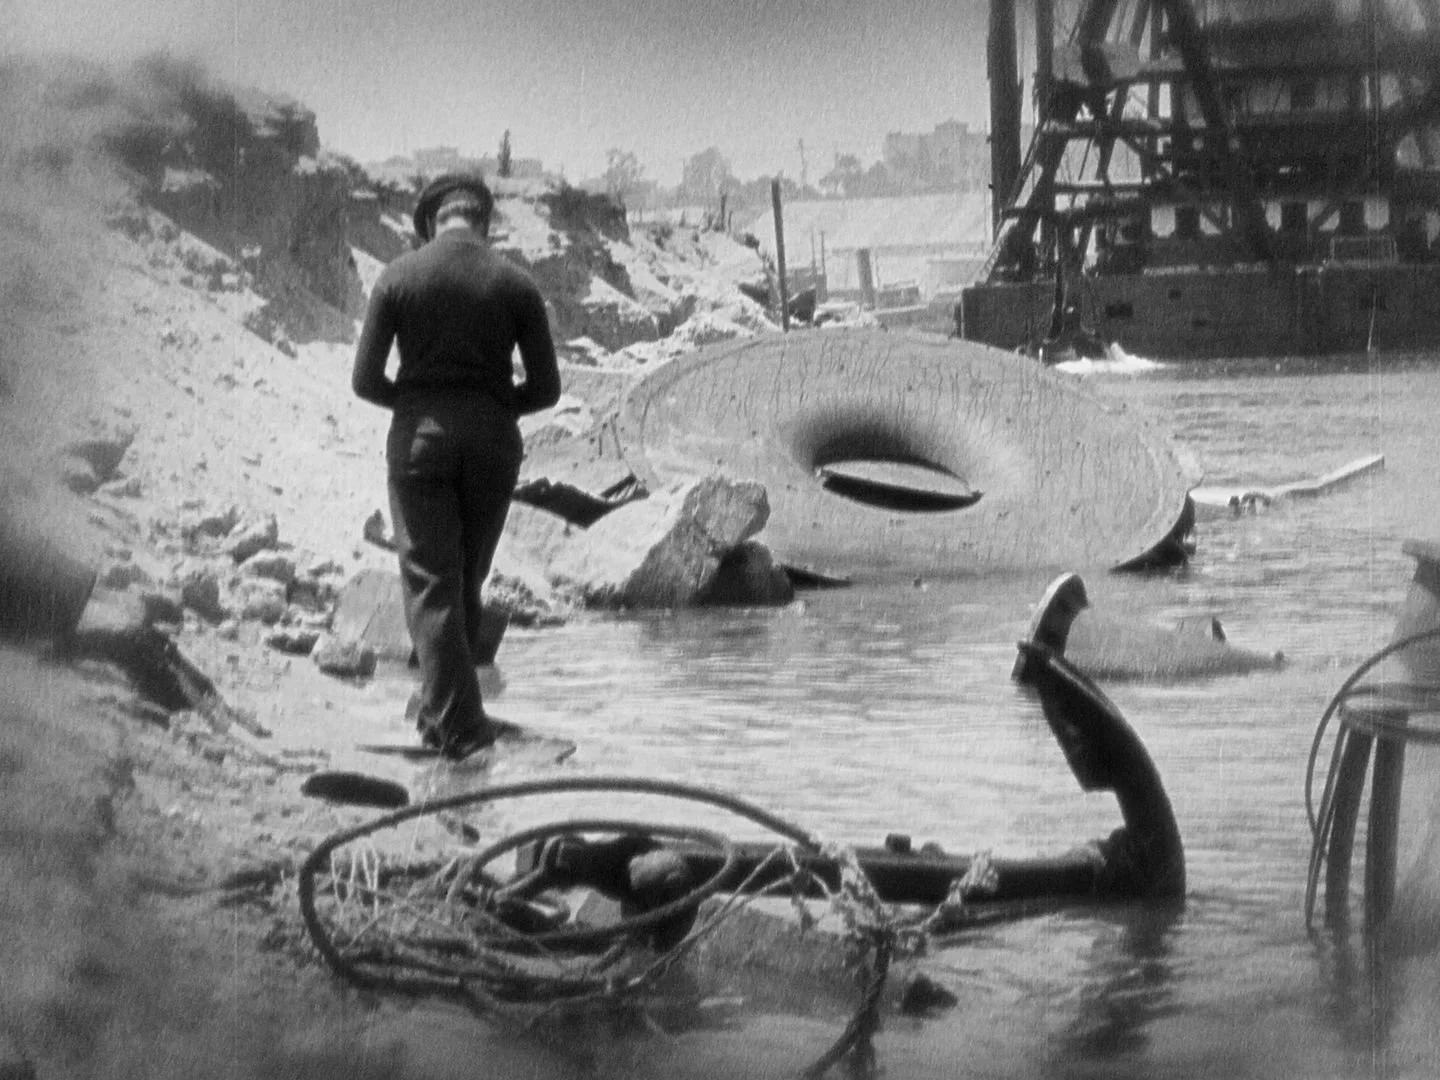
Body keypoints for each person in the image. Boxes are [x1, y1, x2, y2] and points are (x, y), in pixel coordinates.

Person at [351, 173, 561, 759]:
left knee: (432, 584)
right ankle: (447, 719)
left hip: (421, 442)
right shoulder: (516, 285)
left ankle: (459, 730)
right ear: (483, 222)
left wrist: (422, 401)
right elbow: (546, 390)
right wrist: (491, 406)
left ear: (429, 223)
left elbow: (365, 381)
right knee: (465, 578)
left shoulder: (398, 276)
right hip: (494, 446)